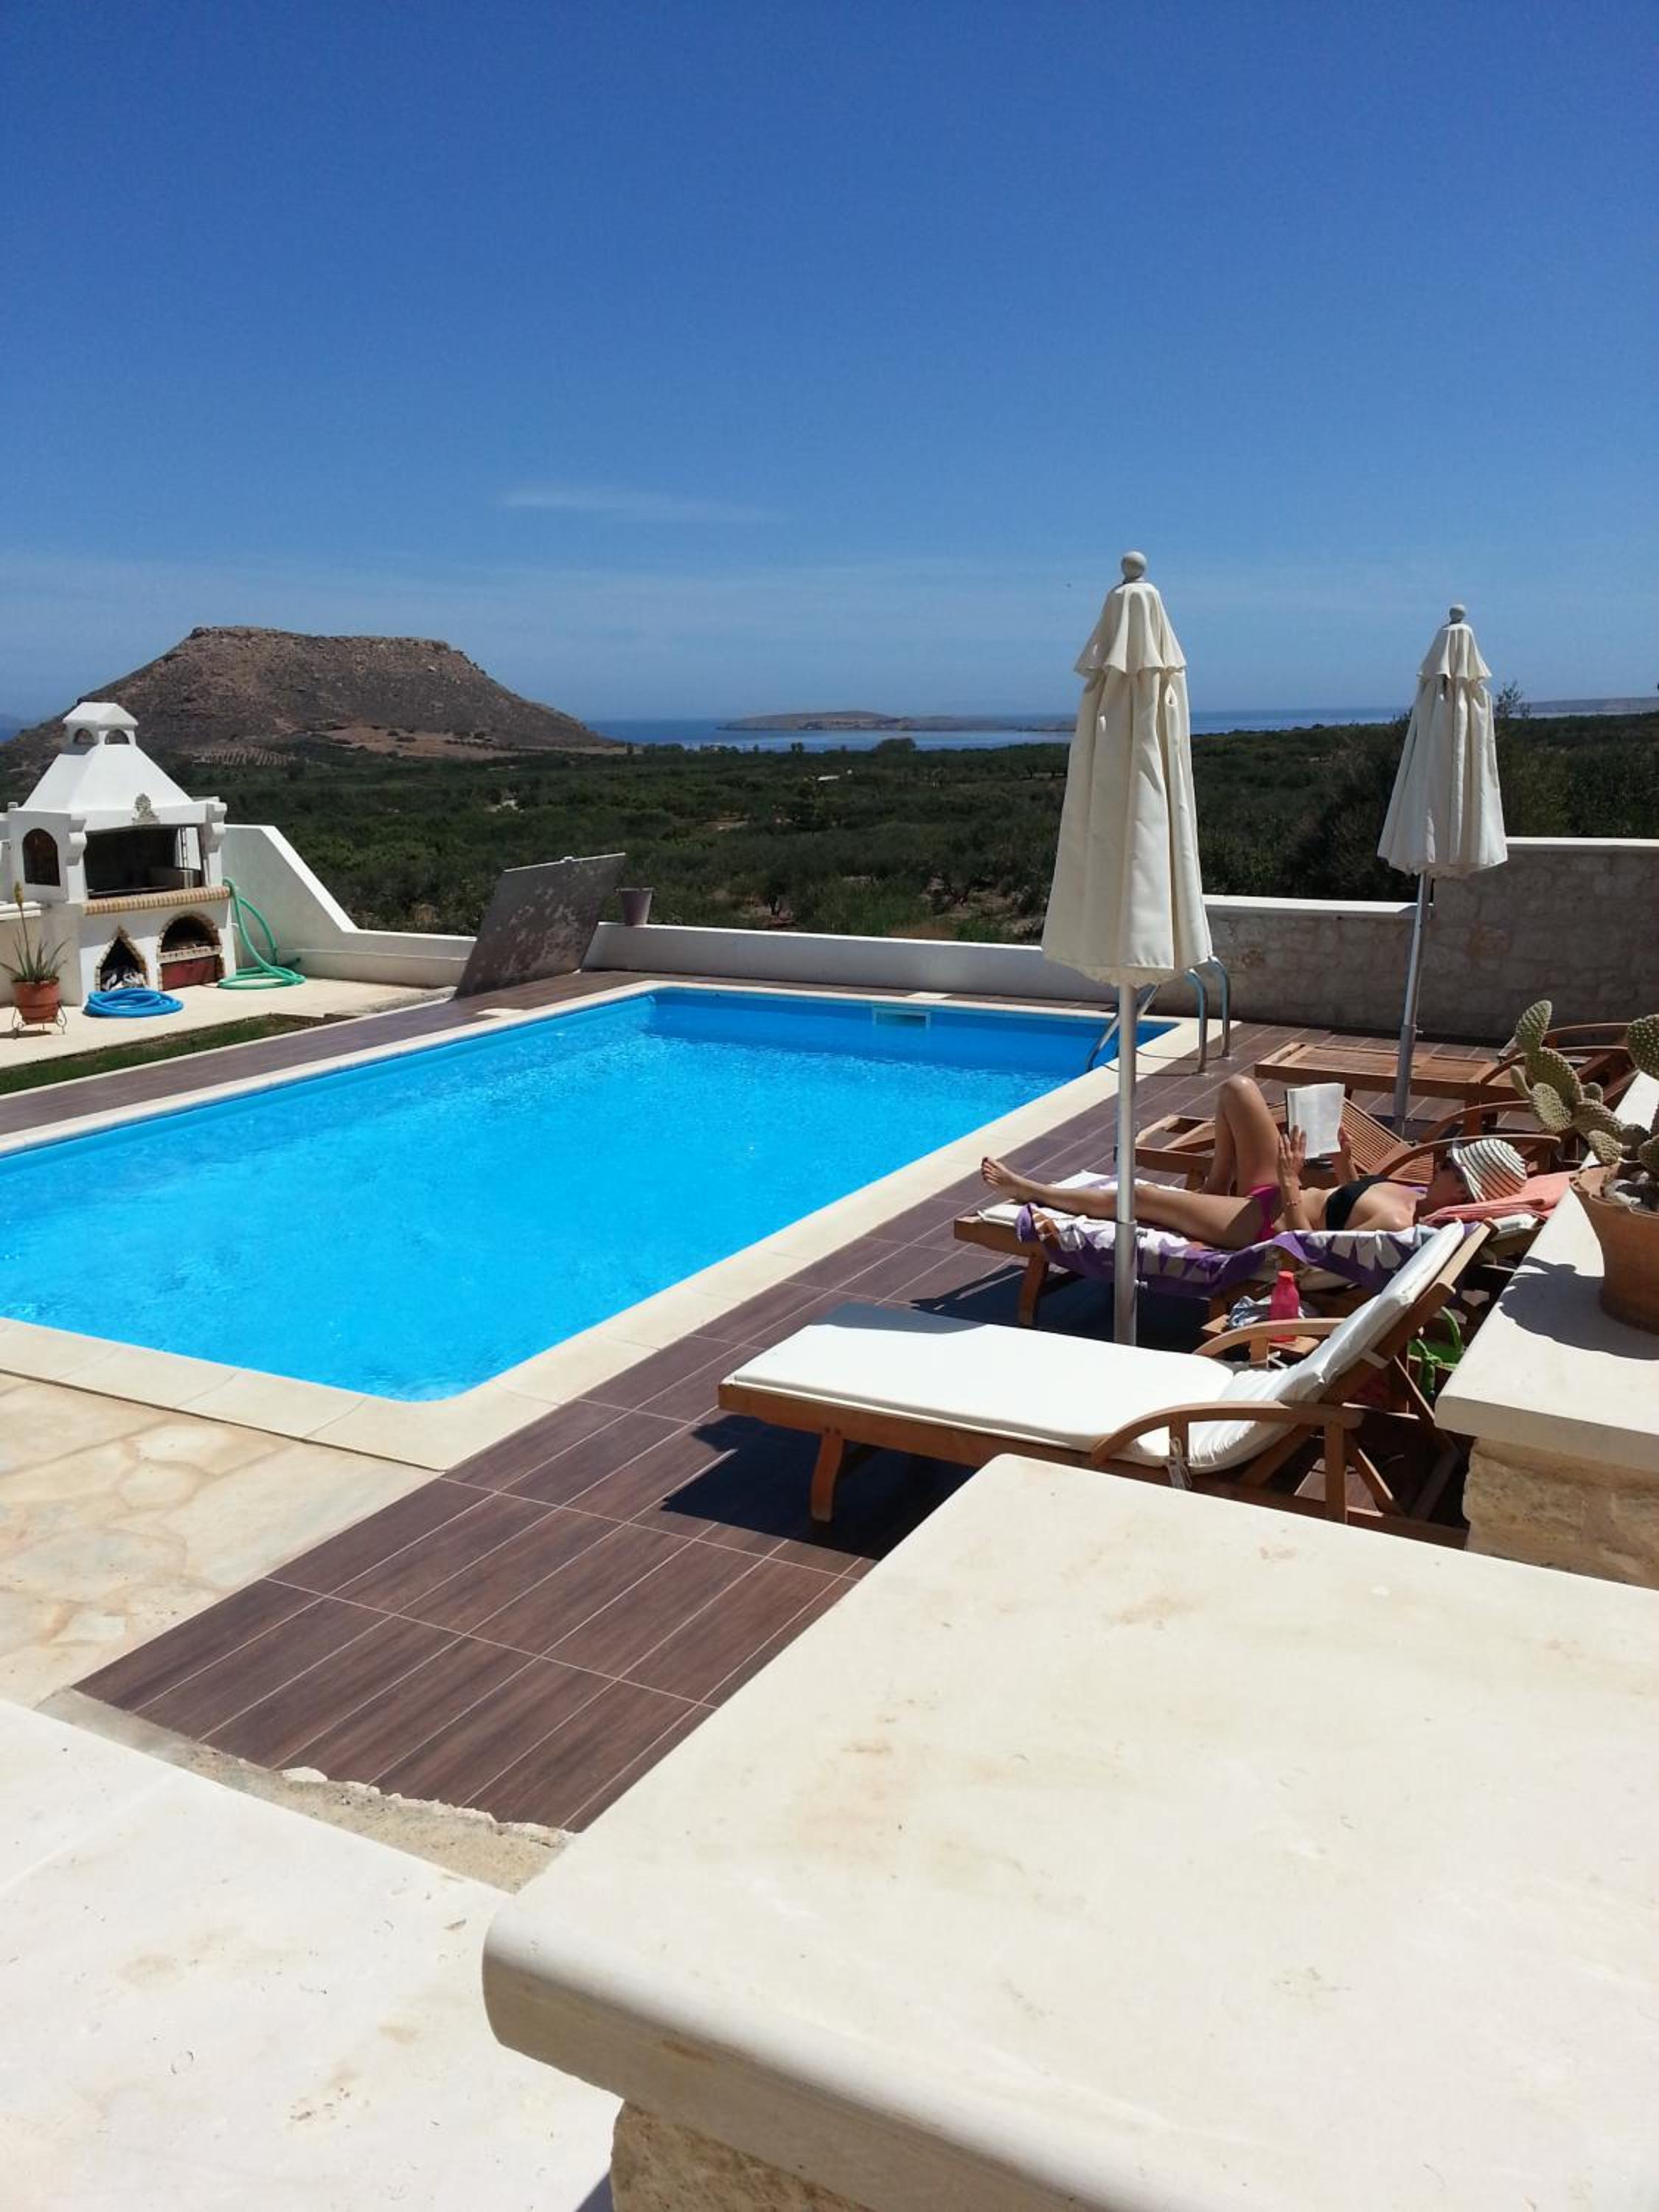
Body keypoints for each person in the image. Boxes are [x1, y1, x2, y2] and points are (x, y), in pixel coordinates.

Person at [981, 1074, 1528, 1251]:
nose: (1439, 1164)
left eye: (1450, 1166)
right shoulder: (1417, 1199)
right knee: (1239, 1090)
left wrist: (1290, 1182)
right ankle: (1216, 1186)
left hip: (1266, 1222)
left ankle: (1033, 1190)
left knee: (1147, 1196)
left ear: (1465, 1193)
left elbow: (1308, 1251)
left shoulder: (1396, 1226)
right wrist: (1344, 1166)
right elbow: (1351, 1197)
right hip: (1280, 1193)